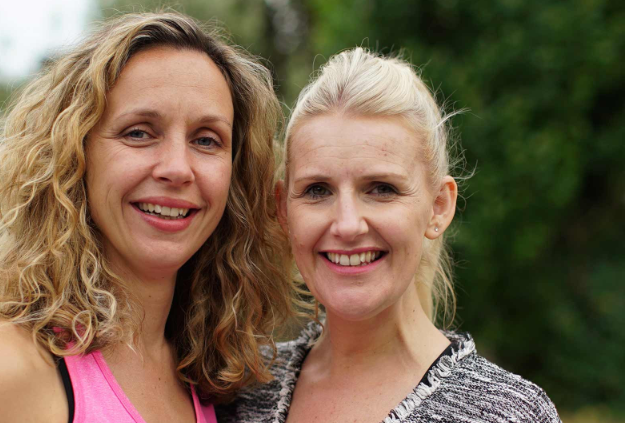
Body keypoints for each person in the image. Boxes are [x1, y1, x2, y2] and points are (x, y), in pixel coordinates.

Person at [0, 12, 295, 423]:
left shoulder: (216, 382)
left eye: (206, 140)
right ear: (74, 156)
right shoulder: (3, 370)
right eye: (139, 132)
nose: (177, 168)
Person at [217, 48, 562, 422]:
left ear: (439, 206)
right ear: (283, 209)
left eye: (382, 189)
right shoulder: (239, 392)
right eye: (318, 190)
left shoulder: (508, 413)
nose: (347, 225)